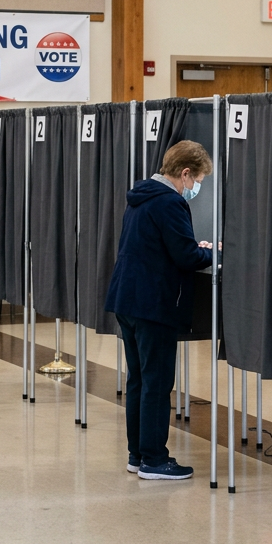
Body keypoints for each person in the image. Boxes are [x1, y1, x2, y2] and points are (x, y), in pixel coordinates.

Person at [104, 141, 214, 480]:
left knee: (139, 379)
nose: (196, 188)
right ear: (185, 173)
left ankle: (137, 454)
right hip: (153, 303)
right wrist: (211, 253)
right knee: (157, 381)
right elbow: (185, 256)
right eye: (197, 180)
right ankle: (154, 459)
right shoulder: (169, 202)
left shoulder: (142, 197)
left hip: (128, 298)